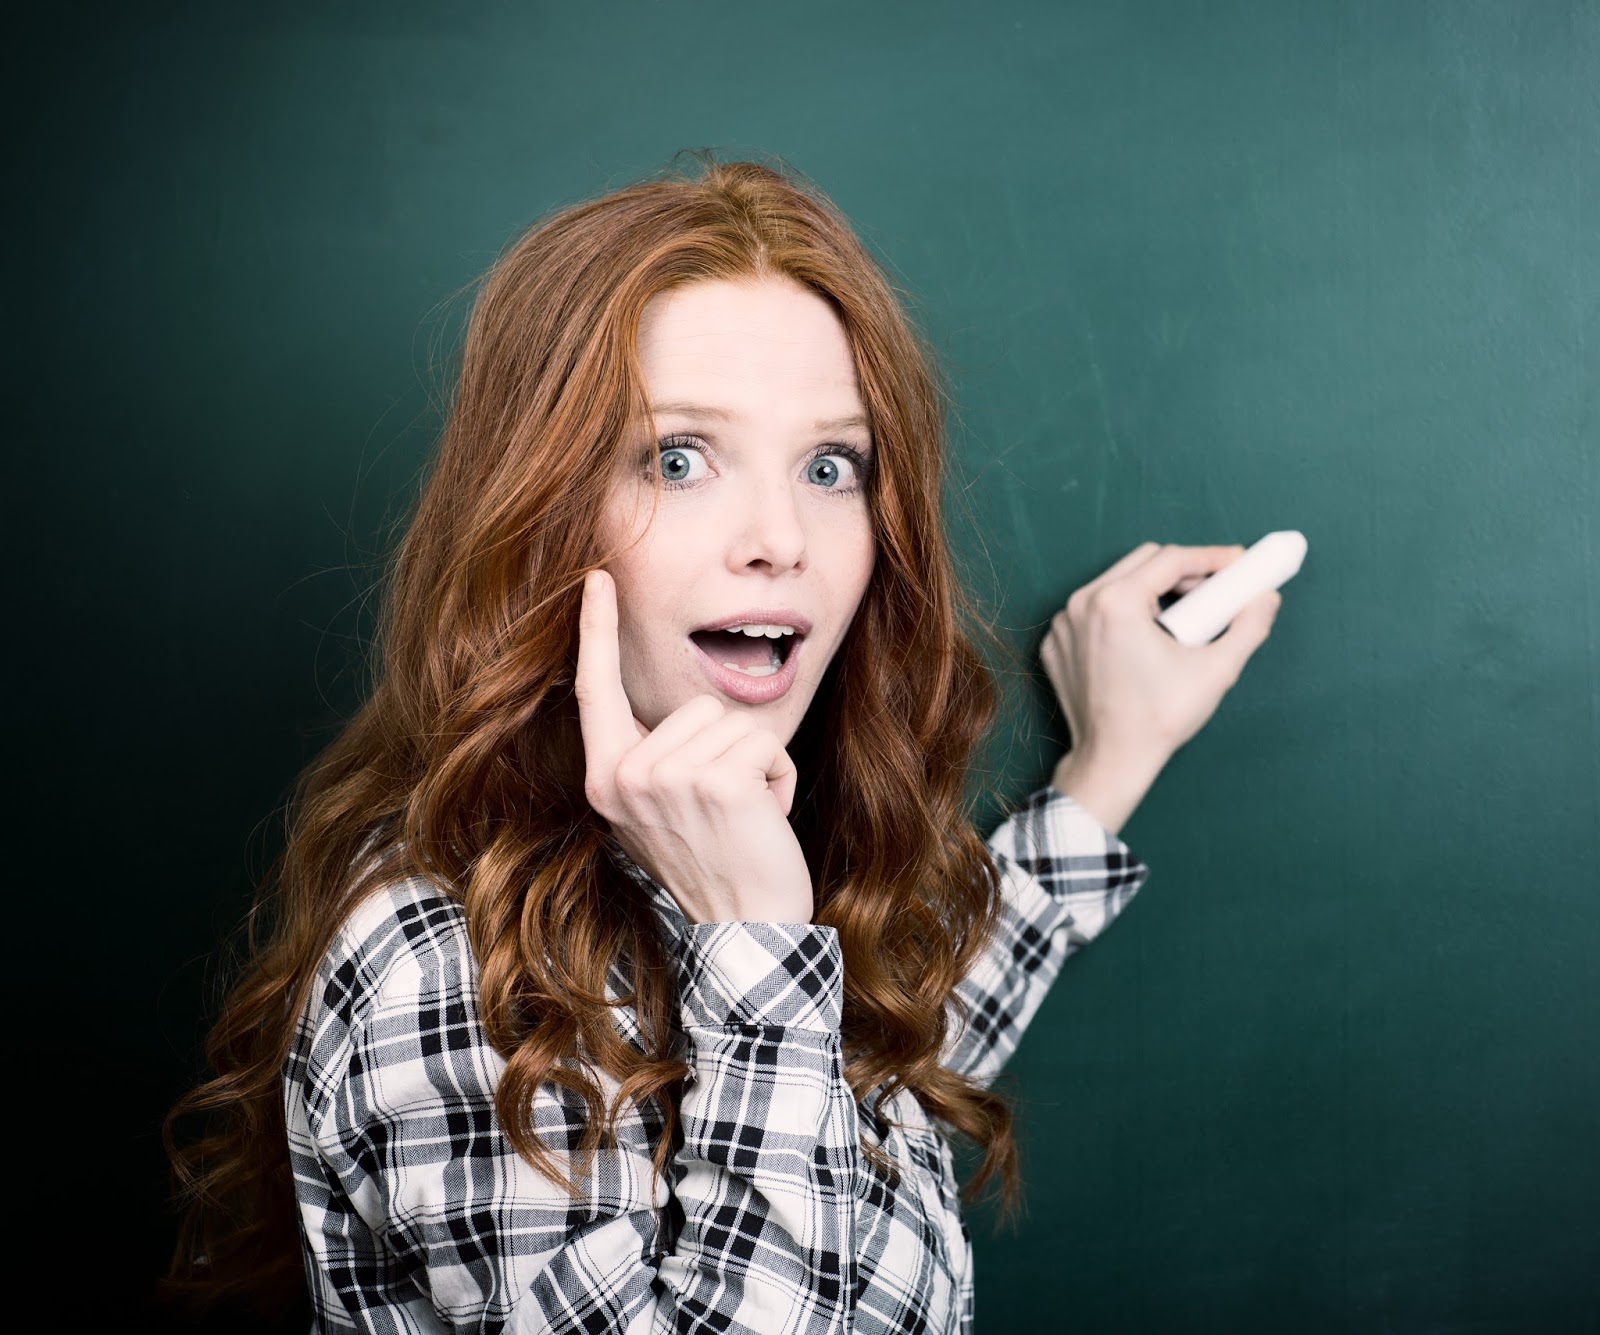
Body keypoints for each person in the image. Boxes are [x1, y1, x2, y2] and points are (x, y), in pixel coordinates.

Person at [164, 156, 1280, 1333]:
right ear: (543, 515)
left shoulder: (717, 855)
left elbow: (876, 1087)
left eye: (830, 466)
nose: (779, 538)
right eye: (678, 458)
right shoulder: (441, 964)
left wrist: (1109, 767)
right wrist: (757, 949)